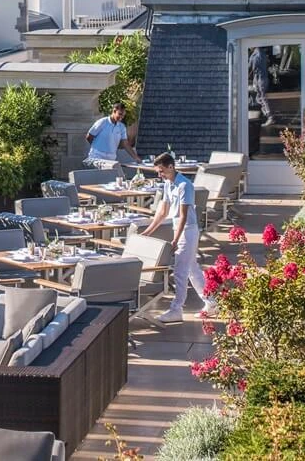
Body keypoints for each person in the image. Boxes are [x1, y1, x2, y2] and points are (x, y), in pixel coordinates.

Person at [140, 151, 211, 323]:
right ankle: (211, 301)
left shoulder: (184, 185)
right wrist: (148, 231)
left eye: (161, 171)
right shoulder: (167, 184)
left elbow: (183, 216)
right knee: (192, 268)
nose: (159, 174)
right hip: (178, 229)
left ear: (171, 166)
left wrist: (176, 239)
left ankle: (176, 309)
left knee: (180, 271)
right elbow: (163, 212)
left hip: (187, 230)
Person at [83, 102, 133, 168]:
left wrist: (136, 158)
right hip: (97, 157)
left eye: (123, 115)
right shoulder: (102, 122)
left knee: (111, 177)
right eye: (120, 114)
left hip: (111, 159)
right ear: (114, 111)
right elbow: (89, 137)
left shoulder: (122, 127)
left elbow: (125, 144)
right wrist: (97, 147)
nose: (121, 117)